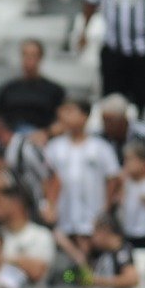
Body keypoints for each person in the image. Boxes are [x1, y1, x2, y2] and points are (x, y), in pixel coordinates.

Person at [43, 99, 121, 244]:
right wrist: (50, 205)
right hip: (63, 217)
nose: (65, 116)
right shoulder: (54, 147)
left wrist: (105, 209)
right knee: (68, 265)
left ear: (85, 116)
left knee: (89, 261)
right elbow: (48, 179)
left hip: (93, 219)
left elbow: (113, 179)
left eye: (71, 112)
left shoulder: (101, 147)